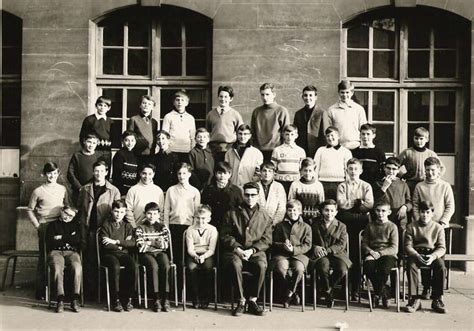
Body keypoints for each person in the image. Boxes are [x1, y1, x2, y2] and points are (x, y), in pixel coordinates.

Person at [220, 182, 273, 316]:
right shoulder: (231, 213)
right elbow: (225, 235)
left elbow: (267, 239)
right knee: (235, 264)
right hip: (235, 251)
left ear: (258, 196)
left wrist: (252, 250)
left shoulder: (265, 216)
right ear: (243, 195)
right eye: (247, 195)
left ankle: (253, 300)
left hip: (255, 251)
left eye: (253, 195)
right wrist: (237, 248)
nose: (250, 198)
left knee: (261, 265)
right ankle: (241, 300)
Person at [77, 160, 120, 296]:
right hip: (89, 230)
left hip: (106, 231)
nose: (99, 173)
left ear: (106, 172)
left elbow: (118, 211)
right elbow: (80, 210)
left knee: (106, 260)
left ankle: (106, 291)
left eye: (102, 171)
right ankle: (91, 292)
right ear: (93, 172)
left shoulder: (113, 191)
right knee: (90, 260)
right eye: (96, 171)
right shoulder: (85, 189)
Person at [28, 162, 69, 299]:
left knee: (59, 256)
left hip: (59, 225)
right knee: (44, 257)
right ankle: (41, 291)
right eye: (49, 173)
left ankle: (58, 291)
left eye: (55, 173)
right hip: (45, 226)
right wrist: (38, 225)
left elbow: (67, 206)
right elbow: (30, 210)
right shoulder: (38, 191)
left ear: (58, 174)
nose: (52, 176)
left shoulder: (62, 189)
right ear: (44, 174)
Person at [336, 158, 374, 300]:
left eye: (356, 169)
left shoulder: (366, 186)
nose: (353, 172)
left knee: (358, 255)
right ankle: (345, 287)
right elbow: (340, 204)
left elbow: (369, 205)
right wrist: (358, 204)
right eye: (350, 169)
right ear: (347, 170)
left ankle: (357, 287)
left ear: (361, 171)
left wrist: (352, 206)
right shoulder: (342, 186)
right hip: (347, 224)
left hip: (360, 225)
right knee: (347, 253)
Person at [404, 201, 447, 314]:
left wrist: (433, 256)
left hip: (431, 254)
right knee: (410, 265)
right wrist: (417, 255)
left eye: (428, 212)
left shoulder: (438, 228)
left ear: (432, 213)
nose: (425, 215)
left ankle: (437, 299)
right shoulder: (411, 226)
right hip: (416, 254)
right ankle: (414, 299)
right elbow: (408, 246)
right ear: (419, 213)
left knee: (441, 266)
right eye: (422, 212)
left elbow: (442, 248)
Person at [309, 199, 351, 308]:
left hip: (337, 254)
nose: (329, 213)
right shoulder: (315, 224)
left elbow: (341, 244)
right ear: (322, 211)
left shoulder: (342, 226)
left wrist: (327, 250)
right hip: (320, 254)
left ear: (336, 212)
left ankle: (326, 289)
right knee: (323, 267)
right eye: (326, 210)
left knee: (342, 269)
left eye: (332, 211)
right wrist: (315, 247)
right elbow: (309, 240)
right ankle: (328, 293)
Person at [271, 200, 311, 308]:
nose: (292, 213)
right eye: (289, 210)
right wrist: (283, 245)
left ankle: (289, 293)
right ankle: (293, 292)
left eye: (295, 210)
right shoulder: (280, 226)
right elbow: (273, 242)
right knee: (281, 268)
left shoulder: (306, 227)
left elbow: (307, 245)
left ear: (300, 211)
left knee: (299, 269)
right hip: (282, 254)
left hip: (299, 255)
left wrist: (294, 249)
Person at [45, 205, 85, 313]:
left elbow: (79, 242)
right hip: (56, 251)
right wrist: (70, 238)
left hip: (72, 252)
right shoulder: (53, 225)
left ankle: (75, 298)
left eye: (71, 216)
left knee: (77, 267)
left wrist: (61, 237)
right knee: (57, 268)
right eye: (66, 213)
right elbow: (50, 241)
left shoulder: (76, 225)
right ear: (61, 211)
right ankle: (60, 299)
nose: (68, 217)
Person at [99, 199, 137, 312]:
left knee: (132, 265)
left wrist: (115, 242)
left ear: (125, 212)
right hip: (109, 255)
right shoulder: (106, 225)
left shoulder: (127, 226)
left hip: (123, 254)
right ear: (112, 211)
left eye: (121, 212)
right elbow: (105, 245)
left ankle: (128, 298)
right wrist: (122, 245)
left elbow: (132, 243)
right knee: (114, 266)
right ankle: (115, 299)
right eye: (116, 211)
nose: (118, 215)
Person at [164, 163, 201, 273]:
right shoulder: (171, 190)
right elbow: (166, 210)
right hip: (173, 227)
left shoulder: (195, 191)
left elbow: (196, 213)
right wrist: (166, 227)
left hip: (188, 228)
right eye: (179, 173)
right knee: (174, 258)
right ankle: (174, 287)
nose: (181, 176)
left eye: (184, 173)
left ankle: (185, 288)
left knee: (186, 259)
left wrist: (193, 227)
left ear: (189, 174)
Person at [361, 200, 398, 308]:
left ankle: (377, 294)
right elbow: (364, 244)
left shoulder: (392, 227)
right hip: (372, 253)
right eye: (378, 210)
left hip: (388, 254)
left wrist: (380, 253)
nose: (380, 213)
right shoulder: (370, 226)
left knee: (384, 269)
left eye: (383, 211)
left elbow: (394, 248)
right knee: (368, 267)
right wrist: (371, 252)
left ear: (389, 212)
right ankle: (385, 293)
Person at [135, 202, 171, 312]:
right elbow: (141, 247)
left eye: (155, 214)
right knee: (154, 267)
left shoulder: (162, 227)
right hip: (147, 255)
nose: (152, 216)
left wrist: (149, 242)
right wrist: (156, 242)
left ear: (159, 214)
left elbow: (165, 245)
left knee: (165, 265)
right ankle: (156, 299)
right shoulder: (140, 228)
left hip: (160, 253)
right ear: (145, 214)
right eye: (149, 214)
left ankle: (165, 298)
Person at [185, 205, 218, 309]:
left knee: (208, 268)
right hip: (193, 254)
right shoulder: (190, 229)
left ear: (209, 218)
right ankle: (195, 298)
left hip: (207, 254)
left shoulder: (212, 230)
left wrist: (203, 256)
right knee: (191, 268)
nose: (200, 221)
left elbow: (212, 249)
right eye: (198, 218)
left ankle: (206, 298)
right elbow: (190, 249)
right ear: (194, 218)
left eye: (203, 218)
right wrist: (195, 256)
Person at [398, 127, 445, 194]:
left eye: (421, 139)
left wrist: (434, 178)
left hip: (426, 184)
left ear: (427, 139)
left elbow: (442, 168)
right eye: (416, 138)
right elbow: (395, 164)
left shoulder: (431, 154)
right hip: (410, 185)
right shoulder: (407, 152)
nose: (419, 141)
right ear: (413, 139)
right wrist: (402, 175)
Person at [251, 83, 290, 160]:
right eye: (262, 95)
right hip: (258, 151)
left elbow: (286, 133)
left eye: (267, 94)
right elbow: (253, 133)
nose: (265, 97)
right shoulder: (256, 111)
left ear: (274, 94)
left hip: (276, 151)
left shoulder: (282, 111)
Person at [412, 157, 455, 228]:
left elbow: (450, 206)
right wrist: (419, 220)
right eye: (427, 170)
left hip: (440, 225)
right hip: (423, 224)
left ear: (438, 170)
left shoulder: (445, 186)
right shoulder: (419, 186)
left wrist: (443, 221)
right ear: (425, 170)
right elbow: (415, 205)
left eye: (433, 170)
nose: (430, 173)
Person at [373, 157, 412, 232]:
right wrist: (384, 186)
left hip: (399, 219)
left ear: (398, 170)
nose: (391, 171)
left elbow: (410, 202)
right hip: (383, 219)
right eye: (388, 168)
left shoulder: (403, 184)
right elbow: (375, 202)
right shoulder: (378, 184)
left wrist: (405, 207)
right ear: (384, 168)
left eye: (394, 169)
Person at [326, 80, 367, 150]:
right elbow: (329, 131)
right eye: (342, 92)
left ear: (352, 93)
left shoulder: (359, 109)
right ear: (338, 93)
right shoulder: (331, 110)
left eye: (347, 92)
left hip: (356, 146)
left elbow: (364, 129)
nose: (345, 95)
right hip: (338, 147)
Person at [206, 85, 244, 162]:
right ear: (218, 97)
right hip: (213, 148)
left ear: (231, 99)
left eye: (226, 97)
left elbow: (241, 132)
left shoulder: (235, 114)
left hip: (230, 148)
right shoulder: (211, 114)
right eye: (221, 96)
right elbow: (207, 132)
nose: (223, 99)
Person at [201, 161, 243, 229]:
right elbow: (203, 206)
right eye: (219, 173)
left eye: (225, 173)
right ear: (215, 174)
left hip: (229, 225)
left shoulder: (236, 191)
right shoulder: (208, 189)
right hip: (211, 224)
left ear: (229, 174)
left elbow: (240, 209)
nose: (222, 176)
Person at [314, 126, 352, 200]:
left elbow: (348, 171)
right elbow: (315, 168)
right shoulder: (320, 150)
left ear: (338, 136)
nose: (330, 138)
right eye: (328, 136)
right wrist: (316, 183)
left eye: (332, 135)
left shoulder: (346, 152)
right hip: (323, 182)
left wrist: (347, 185)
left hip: (339, 183)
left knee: (339, 205)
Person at [293, 85, 329, 157]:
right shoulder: (298, 114)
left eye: (310, 95)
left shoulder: (322, 113)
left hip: (317, 151)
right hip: (301, 150)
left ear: (315, 97)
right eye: (305, 95)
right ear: (302, 97)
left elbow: (324, 135)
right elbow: (295, 133)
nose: (308, 98)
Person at [125, 163, 164, 228]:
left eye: (150, 174)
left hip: (154, 229)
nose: (147, 176)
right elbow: (128, 210)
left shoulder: (158, 191)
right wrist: (134, 226)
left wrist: (158, 227)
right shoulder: (133, 190)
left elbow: (161, 211)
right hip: (137, 226)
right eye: (144, 173)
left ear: (153, 174)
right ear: (140, 173)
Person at [162, 89, 196, 162]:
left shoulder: (190, 118)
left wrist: (192, 150)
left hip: (187, 151)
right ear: (174, 103)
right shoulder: (168, 116)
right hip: (172, 151)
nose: (180, 102)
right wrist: (166, 148)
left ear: (186, 103)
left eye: (182, 100)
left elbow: (193, 136)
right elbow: (164, 135)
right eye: (177, 100)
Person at [288, 158, 325, 224]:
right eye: (305, 170)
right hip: (299, 218)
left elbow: (321, 204)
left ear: (314, 171)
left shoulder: (318, 185)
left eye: (310, 170)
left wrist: (316, 217)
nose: (307, 173)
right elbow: (291, 202)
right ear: (301, 171)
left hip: (315, 218)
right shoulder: (295, 184)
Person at [271, 124, 306, 194]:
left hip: (295, 182)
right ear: (283, 135)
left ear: (296, 136)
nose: (289, 137)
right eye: (287, 134)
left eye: (292, 134)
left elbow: (302, 168)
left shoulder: (300, 151)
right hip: (280, 182)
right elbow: (273, 168)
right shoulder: (277, 150)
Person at [67, 133, 101, 204]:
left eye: (94, 143)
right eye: (89, 142)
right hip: (79, 191)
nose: (91, 145)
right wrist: (80, 188)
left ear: (97, 143)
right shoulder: (77, 156)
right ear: (84, 141)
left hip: (95, 190)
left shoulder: (99, 157)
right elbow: (70, 173)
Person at [79, 96, 113, 165]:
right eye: (100, 105)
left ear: (108, 108)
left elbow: (114, 138)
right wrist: (88, 150)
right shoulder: (89, 120)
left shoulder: (111, 122)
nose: (102, 108)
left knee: (105, 171)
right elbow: (82, 136)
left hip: (106, 152)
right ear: (96, 106)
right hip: (92, 151)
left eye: (105, 106)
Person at [351, 123, 386, 188]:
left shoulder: (379, 152)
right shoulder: (355, 152)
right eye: (363, 134)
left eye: (368, 134)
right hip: (358, 185)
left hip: (374, 185)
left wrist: (378, 183)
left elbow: (384, 170)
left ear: (373, 135)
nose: (365, 137)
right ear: (360, 135)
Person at [127, 95, 159, 165]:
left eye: (149, 104)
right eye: (144, 103)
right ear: (140, 105)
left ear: (152, 107)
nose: (146, 105)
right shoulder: (134, 119)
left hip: (151, 154)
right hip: (137, 154)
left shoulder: (154, 122)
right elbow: (130, 136)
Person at [112, 130, 139, 196]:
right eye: (127, 140)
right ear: (123, 141)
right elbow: (116, 175)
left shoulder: (137, 154)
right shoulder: (120, 154)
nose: (130, 143)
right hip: (121, 190)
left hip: (133, 190)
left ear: (135, 141)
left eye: (132, 140)